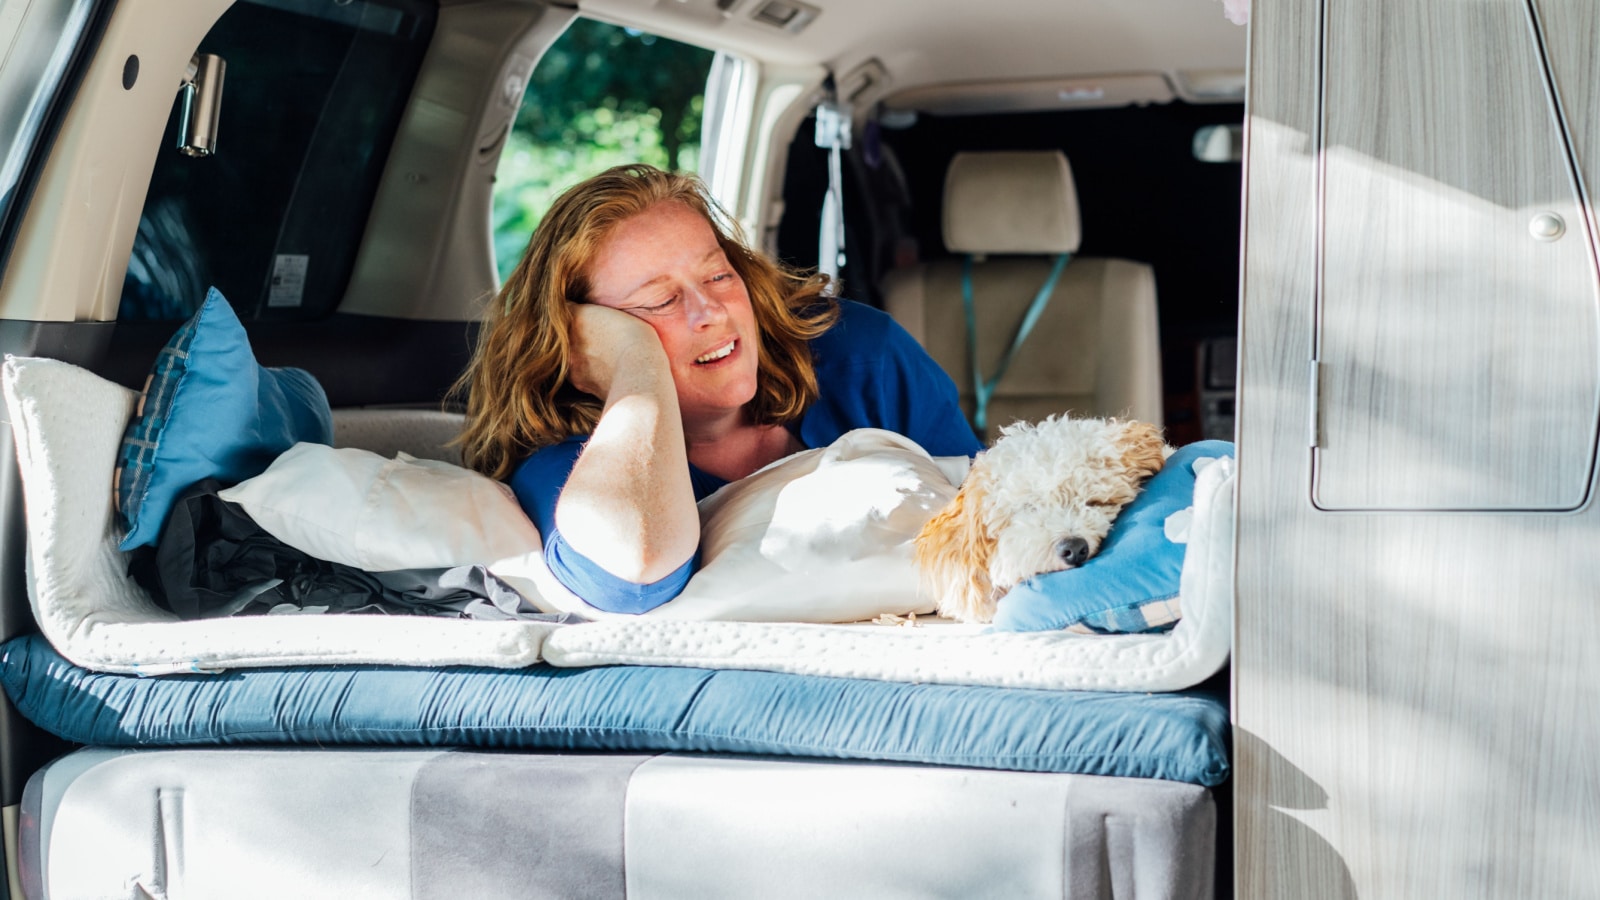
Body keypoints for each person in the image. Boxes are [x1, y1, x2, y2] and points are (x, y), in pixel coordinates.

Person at [455, 164, 981, 614]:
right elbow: (632, 580)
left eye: (719, 277)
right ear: (582, 347)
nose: (711, 313)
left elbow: (993, 517)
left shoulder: (862, 356)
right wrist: (637, 369)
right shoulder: (570, 460)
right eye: (660, 302)